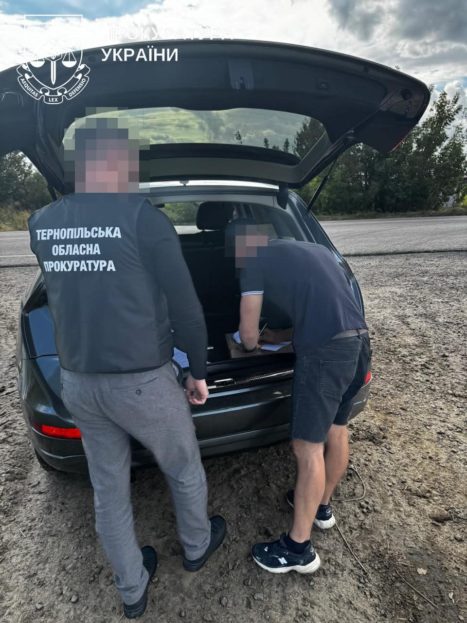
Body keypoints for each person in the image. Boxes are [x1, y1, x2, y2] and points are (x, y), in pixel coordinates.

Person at [27, 119, 226, 619]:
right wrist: (198, 370)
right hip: (142, 382)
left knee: (108, 489)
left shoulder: (41, 223)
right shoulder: (143, 219)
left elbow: (72, 283)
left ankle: (132, 588)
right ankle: (197, 545)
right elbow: (186, 308)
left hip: (78, 382)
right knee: (183, 467)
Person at [228, 220, 370, 575]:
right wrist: (280, 336)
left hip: (325, 355)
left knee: (307, 448)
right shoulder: (313, 249)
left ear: (241, 247)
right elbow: (328, 305)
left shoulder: (252, 260)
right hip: (358, 342)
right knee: (337, 428)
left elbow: (248, 336)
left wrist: (251, 344)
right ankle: (321, 507)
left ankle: (298, 550)